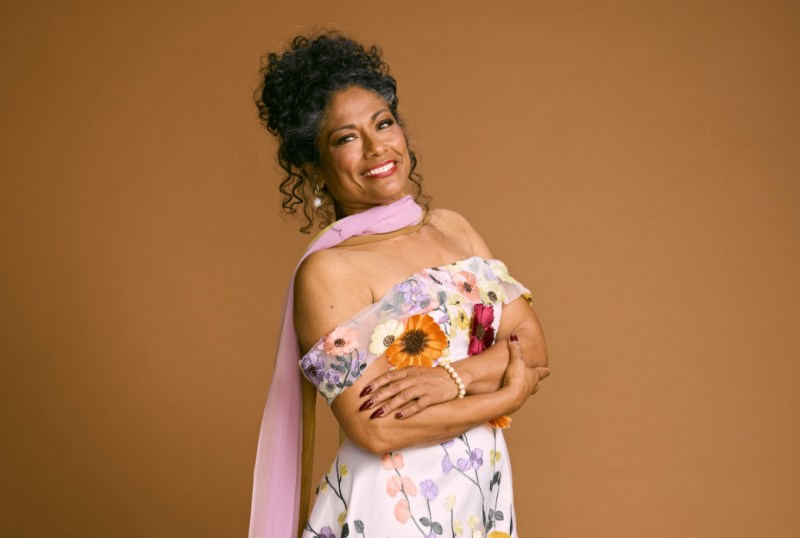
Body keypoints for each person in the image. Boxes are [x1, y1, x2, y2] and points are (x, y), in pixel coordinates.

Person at [249, 32, 550, 538]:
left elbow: (535, 347)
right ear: (315, 168)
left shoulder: (455, 228)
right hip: (392, 510)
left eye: (383, 123)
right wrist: (505, 395)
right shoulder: (328, 273)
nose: (375, 147)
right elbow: (377, 428)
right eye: (346, 138)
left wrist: (446, 380)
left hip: (480, 496)